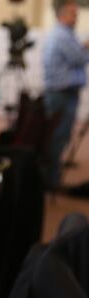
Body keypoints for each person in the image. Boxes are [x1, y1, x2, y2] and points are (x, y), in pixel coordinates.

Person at [42, 0, 89, 189]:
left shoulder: (66, 34)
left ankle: (51, 177)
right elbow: (78, 57)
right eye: (73, 13)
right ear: (62, 14)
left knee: (61, 136)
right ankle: (50, 181)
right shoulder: (61, 35)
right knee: (57, 136)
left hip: (65, 92)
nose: (76, 17)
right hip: (61, 94)